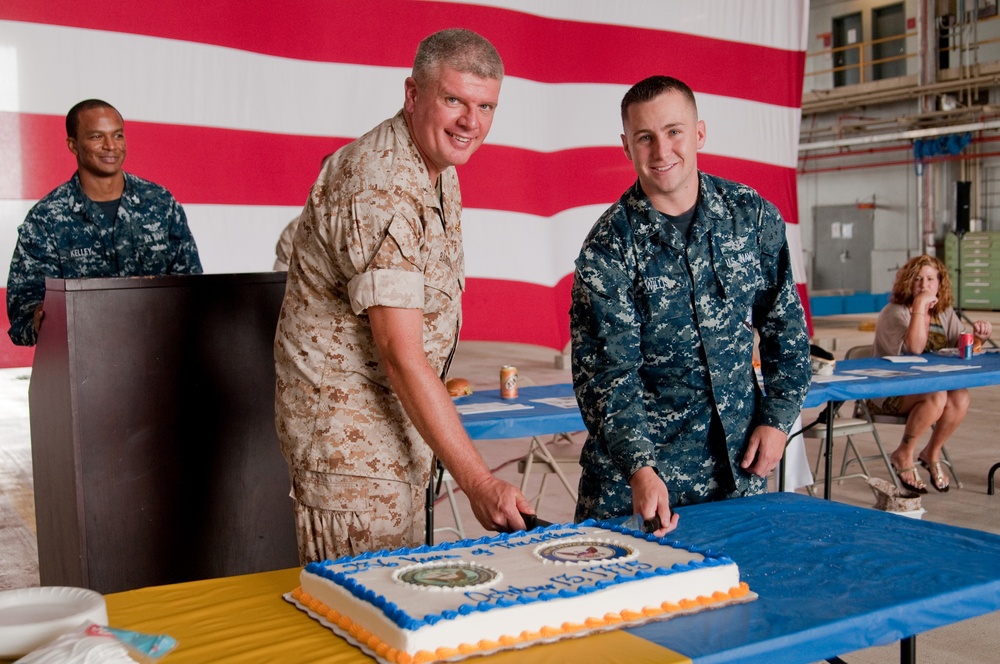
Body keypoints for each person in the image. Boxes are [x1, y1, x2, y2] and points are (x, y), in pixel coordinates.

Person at [273, 28, 533, 563]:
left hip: (399, 442)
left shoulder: (437, 170)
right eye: (454, 99)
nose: (471, 122)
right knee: (359, 629)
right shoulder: (382, 181)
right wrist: (481, 483)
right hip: (352, 463)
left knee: (402, 620)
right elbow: (400, 353)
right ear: (413, 94)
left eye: (485, 106)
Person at [569, 75, 811, 536]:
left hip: (737, 477)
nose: (662, 151)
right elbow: (607, 377)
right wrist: (640, 468)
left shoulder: (752, 218)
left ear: (699, 133)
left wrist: (778, 420)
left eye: (674, 131)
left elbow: (787, 332)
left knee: (741, 603)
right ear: (626, 146)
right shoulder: (608, 248)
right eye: (645, 137)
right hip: (640, 491)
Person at [6, 99, 202, 346]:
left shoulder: (161, 203)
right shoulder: (45, 219)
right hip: (86, 366)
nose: (111, 146)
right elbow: (23, 316)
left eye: (118, 135)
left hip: (161, 357)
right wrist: (43, 318)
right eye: (97, 136)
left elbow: (194, 288)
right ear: (73, 145)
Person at [870, 254, 992, 493]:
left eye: (930, 279)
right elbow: (914, 349)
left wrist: (978, 340)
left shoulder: (944, 313)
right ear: (907, 282)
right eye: (917, 280)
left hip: (928, 388)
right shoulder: (894, 312)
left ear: (939, 283)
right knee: (937, 396)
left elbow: (960, 347)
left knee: (960, 396)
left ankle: (931, 453)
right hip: (889, 389)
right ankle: (904, 453)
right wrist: (919, 307)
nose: (924, 286)